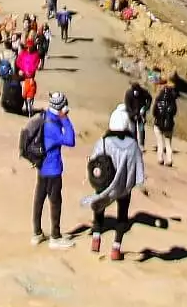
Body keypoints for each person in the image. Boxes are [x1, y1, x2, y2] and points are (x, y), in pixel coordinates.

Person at [83, 107, 145, 259]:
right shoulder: (133, 145)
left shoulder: (103, 142)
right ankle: (116, 248)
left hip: (104, 183)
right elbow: (139, 171)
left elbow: (93, 162)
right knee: (122, 216)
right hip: (124, 187)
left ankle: (96, 239)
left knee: (99, 208)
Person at [31, 92, 76, 248]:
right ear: (61, 106)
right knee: (55, 202)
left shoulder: (45, 116)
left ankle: (37, 233)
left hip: (41, 166)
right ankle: (55, 237)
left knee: (39, 200)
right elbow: (70, 140)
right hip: (53, 168)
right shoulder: (53, 125)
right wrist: (65, 119)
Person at [152, 82, 177, 167]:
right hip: (169, 125)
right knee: (168, 144)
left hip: (158, 123)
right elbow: (174, 112)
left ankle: (160, 159)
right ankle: (169, 160)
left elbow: (154, 112)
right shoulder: (172, 102)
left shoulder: (158, 99)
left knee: (160, 143)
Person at [124, 82, 150, 150]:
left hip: (141, 114)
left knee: (141, 129)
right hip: (132, 115)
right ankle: (134, 144)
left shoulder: (144, 92)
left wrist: (145, 108)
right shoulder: (128, 93)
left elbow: (149, 99)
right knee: (133, 130)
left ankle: (141, 145)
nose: (136, 92)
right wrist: (133, 115)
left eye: (138, 90)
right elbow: (128, 105)